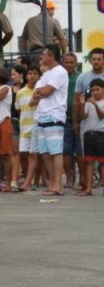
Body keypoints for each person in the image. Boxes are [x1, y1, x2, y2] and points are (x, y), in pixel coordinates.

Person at [27, 44, 68, 196]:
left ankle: (58, 185)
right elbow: (37, 95)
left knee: (56, 151)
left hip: (54, 115)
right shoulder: (46, 74)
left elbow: (46, 91)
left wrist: (40, 92)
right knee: (45, 152)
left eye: (44, 54)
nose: (41, 57)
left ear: (51, 56)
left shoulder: (60, 72)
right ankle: (53, 184)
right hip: (42, 116)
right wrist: (40, 92)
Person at [75, 78, 104, 196]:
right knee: (88, 162)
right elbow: (83, 116)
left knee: (103, 162)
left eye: (97, 89)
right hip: (88, 134)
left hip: (101, 134)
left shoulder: (100, 102)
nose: (95, 92)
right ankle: (88, 188)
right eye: (93, 90)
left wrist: (95, 105)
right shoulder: (87, 103)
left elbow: (101, 116)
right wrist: (82, 104)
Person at [17, 65, 42, 191]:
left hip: (36, 127)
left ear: (39, 76)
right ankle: (28, 177)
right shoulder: (20, 93)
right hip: (24, 128)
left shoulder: (41, 91)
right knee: (22, 154)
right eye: (30, 73)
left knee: (36, 155)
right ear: (26, 76)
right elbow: (18, 108)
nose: (32, 76)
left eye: (35, 73)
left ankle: (35, 181)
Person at [60, 52, 83, 190]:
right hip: (64, 118)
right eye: (66, 62)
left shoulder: (82, 77)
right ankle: (69, 178)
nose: (69, 65)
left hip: (80, 119)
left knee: (80, 152)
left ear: (76, 63)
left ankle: (82, 179)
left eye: (71, 62)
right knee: (66, 151)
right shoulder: (60, 77)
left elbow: (87, 94)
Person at [8, 65, 27, 192]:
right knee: (14, 152)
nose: (12, 76)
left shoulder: (27, 88)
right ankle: (14, 179)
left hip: (26, 122)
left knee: (27, 153)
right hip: (14, 122)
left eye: (15, 74)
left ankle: (29, 178)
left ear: (21, 75)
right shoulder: (9, 90)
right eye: (12, 74)